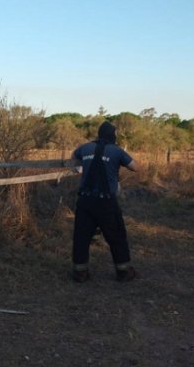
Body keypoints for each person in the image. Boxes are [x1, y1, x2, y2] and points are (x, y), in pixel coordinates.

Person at [71, 121, 138, 283]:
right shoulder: (116, 151)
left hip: (85, 201)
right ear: (113, 135)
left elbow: (74, 156)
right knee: (116, 236)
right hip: (106, 202)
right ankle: (123, 272)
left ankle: (80, 273)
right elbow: (136, 167)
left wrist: (80, 167)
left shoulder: (85, 148)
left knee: (82, 236)